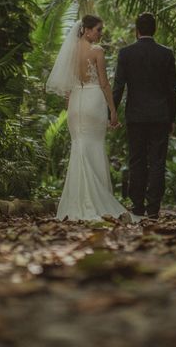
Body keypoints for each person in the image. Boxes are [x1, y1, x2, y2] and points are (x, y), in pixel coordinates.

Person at [46, 14, 136, 222]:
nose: (100, 33)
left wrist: (70, 105)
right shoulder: (97, 51)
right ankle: (97, 201)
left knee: (79, 147)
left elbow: (68, 84)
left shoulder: (70, 51)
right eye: (98, 29)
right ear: (86, 29)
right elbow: (104, 84)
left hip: (76, 102)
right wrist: (112, 110)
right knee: (93, 146)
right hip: (93, 100)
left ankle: (76, 202)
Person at [113, 12, 176, 219]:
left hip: (136, 115)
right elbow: (172, 90)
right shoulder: (166, 54)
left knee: (136, 160)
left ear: (136, 30)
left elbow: (119, 86)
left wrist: (111, 112)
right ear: (154, 29)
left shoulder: (126, 53)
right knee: (158, 161)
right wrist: (172, 118)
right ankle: (154, 208)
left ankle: (138, 206)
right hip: (160, 115)